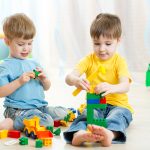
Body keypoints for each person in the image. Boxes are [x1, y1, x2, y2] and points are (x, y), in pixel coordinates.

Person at [63, 13, 133, 147]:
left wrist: (112, 87)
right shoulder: (88, 60)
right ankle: (78, 134)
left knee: (118, 116)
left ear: (118, 40)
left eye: (108, 44)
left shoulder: (119, 62)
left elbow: (126, 85)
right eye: (96, 43)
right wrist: (76, 80)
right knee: (87, 115)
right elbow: (69, 77)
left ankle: (109, 134)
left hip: (118, 105)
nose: (102, 49)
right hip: (95, 104)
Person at [0, 13, 68, 131]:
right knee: (47, 121)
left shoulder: (34, 63)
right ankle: (12, 122)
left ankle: (33, 119)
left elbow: (46, 87)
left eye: (30, 43)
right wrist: (19, 82)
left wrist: (44, 79)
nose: (26, 48)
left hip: (40, 107)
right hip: (18, 110)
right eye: (21, 44)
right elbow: (1, 92)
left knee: (64, 113)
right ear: (7, 41)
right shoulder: (6, 66)